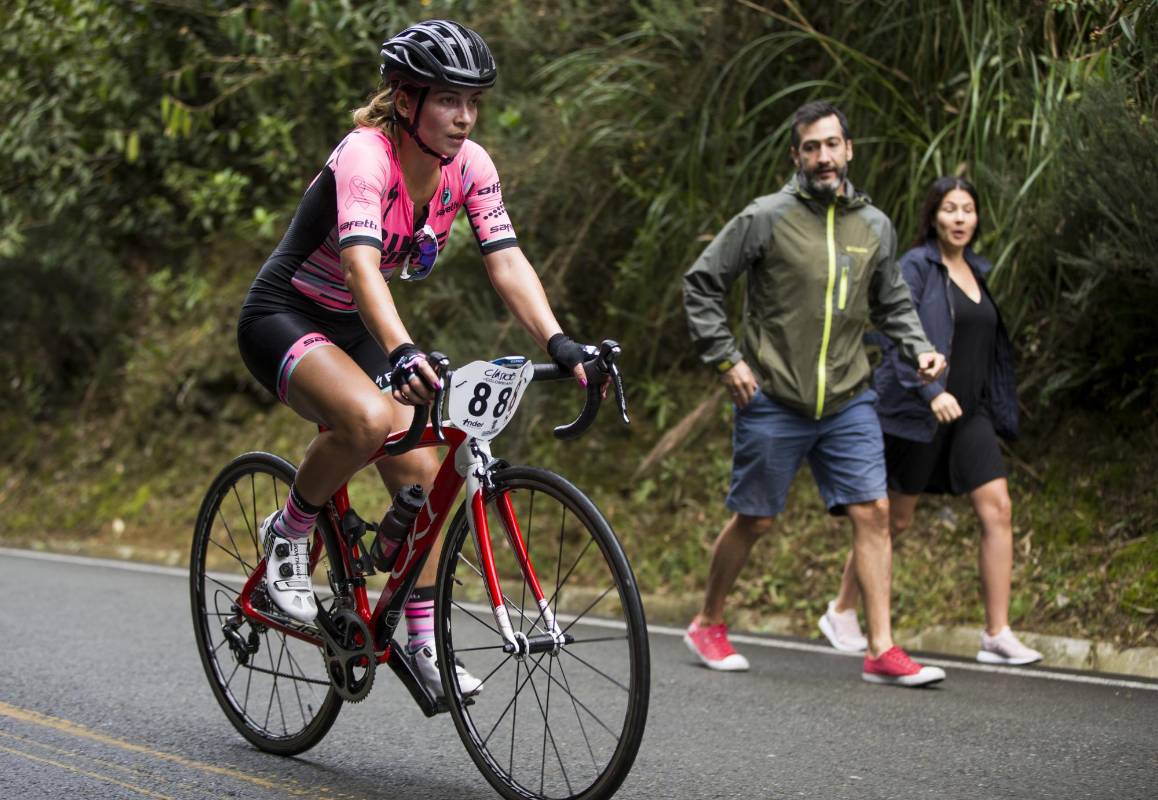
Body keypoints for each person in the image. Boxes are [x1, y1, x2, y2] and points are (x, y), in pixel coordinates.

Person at [236, 20, 594, 698]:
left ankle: (426, 643)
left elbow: (507, 261)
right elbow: (361, 265)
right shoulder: (367, 156)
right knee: (369, 419)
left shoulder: (471, 167)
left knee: (426, 483)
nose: (464, 117)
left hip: (354, 324)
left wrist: (558, 341)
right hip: (283, 315)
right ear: (405, 101)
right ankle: (288, 531)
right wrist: (401, 350)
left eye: (473, 101)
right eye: (447, 100)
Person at [682, 100, 950, 687]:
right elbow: (702, 284)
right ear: (796, 155)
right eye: (811, 147)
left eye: (832, 144)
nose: (823, 156)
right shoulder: (766, 216)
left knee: (874, 512)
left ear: (849, 150)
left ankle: (880, 647)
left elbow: (892, 301)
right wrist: (727, 358)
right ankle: (708, 620)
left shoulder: (874, 225)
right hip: (774, 395)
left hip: (850, 396)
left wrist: (919, 347)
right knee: (754, 519)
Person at [819, 177, 1042, 666]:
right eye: (949, 209)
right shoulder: (917, 267)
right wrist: (931, 391)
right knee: (891, 521)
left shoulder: (977, 273)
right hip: (917, 412)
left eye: (968, 209)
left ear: (977, 219)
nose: (960, 218)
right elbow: (900, 336)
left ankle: (997, 632)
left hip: (969, 414)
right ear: (933, 217)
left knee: (998, 509)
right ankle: (841, 611)